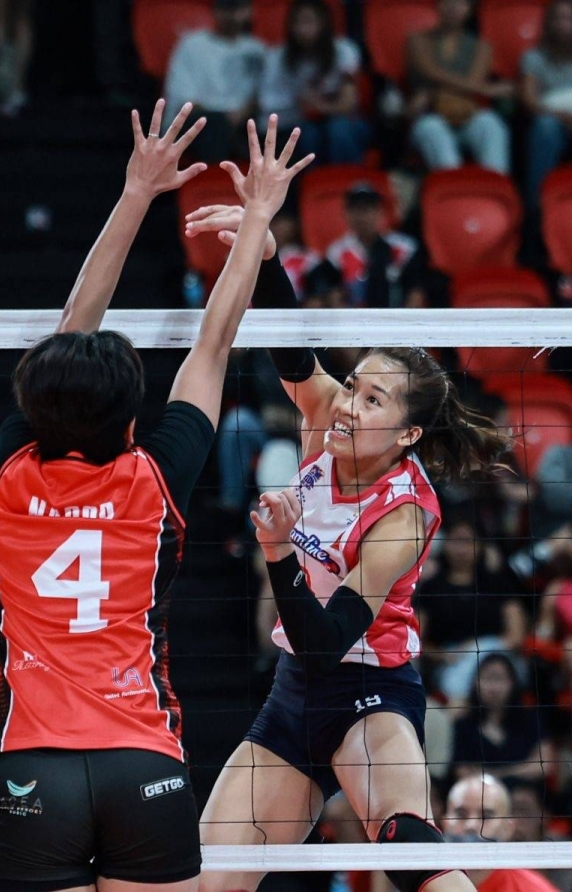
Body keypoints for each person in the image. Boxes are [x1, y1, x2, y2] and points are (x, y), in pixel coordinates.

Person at [0, 101, 311, 892]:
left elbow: (72, 324)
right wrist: (261, 217)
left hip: (34, 769)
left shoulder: (9, 471)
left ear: (37, 399)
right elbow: (215, 341)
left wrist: (135, 192)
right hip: (144, 764)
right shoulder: (155, 478)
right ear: (133, 414)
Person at [183, 208, 513, 892]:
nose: (348, 406)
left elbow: (328, 640)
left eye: (372, 400)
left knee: (406, 846)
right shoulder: (322, 416)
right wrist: (268, 255)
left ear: (409, 434)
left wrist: (276, 553)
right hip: (293, 695)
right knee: (208, 880)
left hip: (371, 688)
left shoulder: (406, 515)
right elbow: (292, 353)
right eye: (354, 387)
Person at [416, 516, 528, 706]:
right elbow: (416, 640)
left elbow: (515, 635)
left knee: (500, 672)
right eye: (456, 541)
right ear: (445, 544)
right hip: (450, 661)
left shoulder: (498, 583)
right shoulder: (431, 588)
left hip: (495, 655)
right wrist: (444, 655)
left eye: (468, 541)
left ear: (481, 545)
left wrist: (476, 648)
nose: (462, 549)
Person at [407, 0, 512, 174]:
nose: (453, 7)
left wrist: (432, 91)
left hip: (467, 115)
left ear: (470, 9)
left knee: (491, 124)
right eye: (447, 2)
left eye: (461, 3)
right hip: (430, 114)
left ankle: (495, 188)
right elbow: (430, 71)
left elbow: (473, 82)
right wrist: (485, 89)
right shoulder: (417, 40)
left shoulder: (482, 47)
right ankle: (451, 191)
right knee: (432, 128)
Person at [258, 0, 368, 164]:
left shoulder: (344, 50)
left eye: (308, 22)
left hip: (343, 124)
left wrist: (316, 106)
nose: (301, 29)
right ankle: (313, 186)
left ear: (323, 23)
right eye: (296, 22)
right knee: (306, 134)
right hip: (299, 122)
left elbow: (348, 103)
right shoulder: (276, 57)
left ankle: (348, 181)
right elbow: (266, 105)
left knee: (338, 130)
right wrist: (303, 105)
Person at [163, 0, 265, 162]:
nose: (232, 15)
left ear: (248, 11)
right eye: (226, 8)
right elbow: (184, 100)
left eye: (237, 8)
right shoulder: (192, 44)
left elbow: (261, 95)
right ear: (215, 10)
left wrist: (240, 115)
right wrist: (224, 120)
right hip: (200, 122)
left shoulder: (256, 49)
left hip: (243, 122)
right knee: (214, 125)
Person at [443, 774, 560, 892]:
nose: (471, 825)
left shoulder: (535, 889)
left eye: (485, 816)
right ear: (445, 823)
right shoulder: (426, 883)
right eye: (461, 814)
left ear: (507, 829)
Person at [321, 183, 425, 309]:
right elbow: (334, 297)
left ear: (379, 212)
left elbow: (415, 293)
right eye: (355, 209)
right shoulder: (336, 252)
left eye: (367, 209)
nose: (361, 216)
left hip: (396, 320)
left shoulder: (404, 248)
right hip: (354, 321)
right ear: (346, 214)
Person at [452, 653, 551, 785]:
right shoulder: (463, 724)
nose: (493, 687)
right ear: (475, 682)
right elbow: (461, 771)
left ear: (513, 682)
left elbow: (544, 765)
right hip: (479, 793)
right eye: (487, 678)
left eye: (499, 679)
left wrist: (495, 775)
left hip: (524, 792)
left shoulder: (531, 719)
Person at [522, 0, 572, 207]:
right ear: (548, 23)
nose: (562, 24)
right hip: (553, 122)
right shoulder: (534, 58)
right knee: (545, 127)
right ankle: (537, 208)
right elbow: (529, 101)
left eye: (568, 19)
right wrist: (561, 116)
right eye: (557, 18)